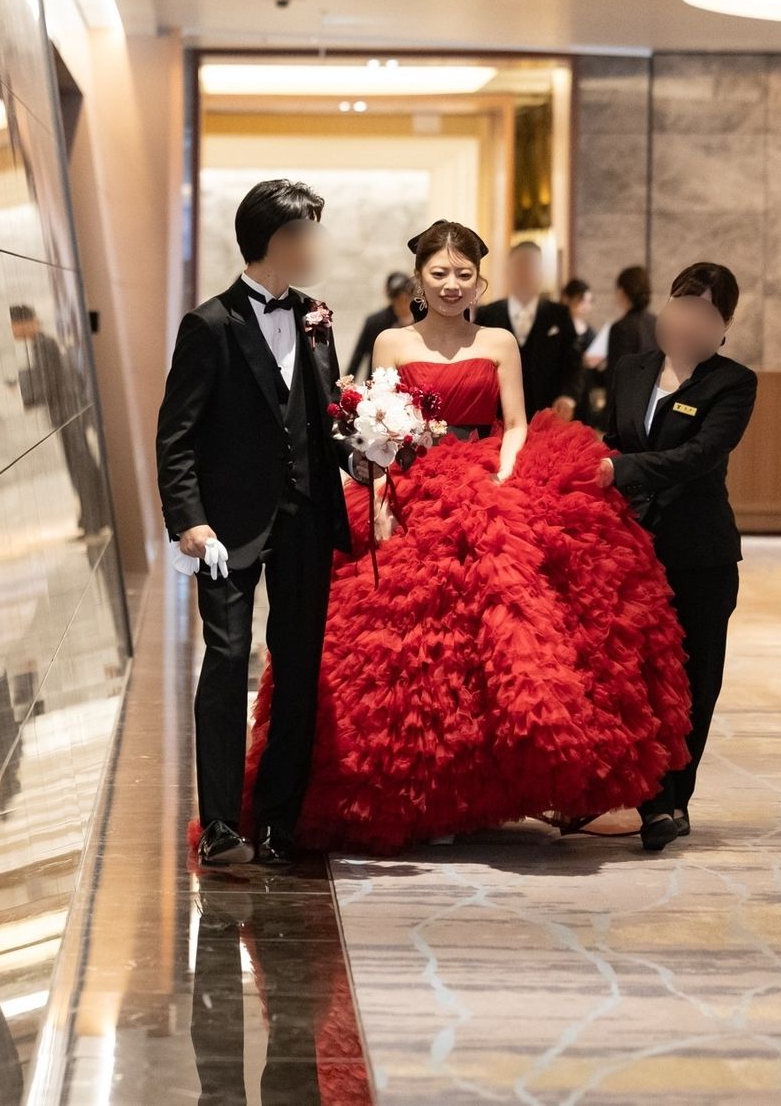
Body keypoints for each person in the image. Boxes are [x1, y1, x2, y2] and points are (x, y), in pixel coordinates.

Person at [242, 219, 692, 855]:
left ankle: (498, 782)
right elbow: (379, 434)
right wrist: (380, 498)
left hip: (489, 475)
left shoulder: (499, 341)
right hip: (413, 482)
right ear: (419, 280)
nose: (451, 284)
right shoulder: (393, 341)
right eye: (439, 273)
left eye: (463, 274)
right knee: (409, 638)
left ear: (479, 280)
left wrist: (506, 471)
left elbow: (515, 422)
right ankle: (420, 787)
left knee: (512, 620)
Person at [156, 179, 358, 867]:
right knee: (225, 659)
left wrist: (364, 456)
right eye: (307, 234)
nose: (317, 246)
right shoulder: (210, 325)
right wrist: (189, 520)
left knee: (298, 667)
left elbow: (325, 417)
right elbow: (176, 437)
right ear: (275, 241)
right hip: (227, 529)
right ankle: (219, 823)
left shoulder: (317, 318)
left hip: (305, 517)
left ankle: (277, 821)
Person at [600, 262, 756, 851]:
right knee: (636, 676)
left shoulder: (732, 383)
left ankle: (674, 798)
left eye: (707, 311)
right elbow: (612, 439)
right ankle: (651, 798)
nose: (691, 320)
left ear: (724, 324)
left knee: (694, 681)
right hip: (632, 550)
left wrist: (619, 471)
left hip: (699, 554)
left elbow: (698, 457)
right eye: (684, 305)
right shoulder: (632, 369)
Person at [9, 304, 108, 539]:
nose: (13, 331)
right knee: (81, 467)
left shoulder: (43, 344)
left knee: (81, 468)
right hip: (67, 414)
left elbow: (49, 381)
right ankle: (94, 519)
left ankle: (95, 522)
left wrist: (25, 395)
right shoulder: (41, 344)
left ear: (26, 323)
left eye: (14, 326)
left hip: (68, 415)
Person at [476, 240, 582, 418]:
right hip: (498, 415)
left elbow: (573, 362)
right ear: (509, 272)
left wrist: (568, 397)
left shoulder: (559, 314)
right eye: (520, 267)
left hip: (548, 413)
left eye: (531, 267)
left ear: (540, 273)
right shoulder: (488, 314)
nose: (525, 273)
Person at [347, 271, 419, 379]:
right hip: (380, 382)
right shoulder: (375, 322)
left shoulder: (422, 319)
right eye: (397, 300)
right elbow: (358, 356)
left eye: (405, 299)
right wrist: (347, 383)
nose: (402, 305)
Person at [605, 264, 657, 380]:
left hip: (630, 389)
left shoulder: (621, 328)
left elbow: (616, 375)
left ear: (622, 292)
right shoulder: (657, 322)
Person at [562, 277, 597, 424]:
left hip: (584, 391)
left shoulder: (590, 332)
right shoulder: (559, 328)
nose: (586, 306)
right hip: (562, 390)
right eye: (582, 301)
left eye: (589, 302)